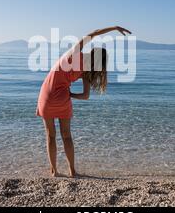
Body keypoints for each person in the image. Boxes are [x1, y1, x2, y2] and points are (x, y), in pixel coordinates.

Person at [36, 26, 132, 177]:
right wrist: (70, 94)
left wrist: (114, 28)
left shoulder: (74, 54)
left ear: (92, 52)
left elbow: (93, 33)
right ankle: (72, 171)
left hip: (46, 95)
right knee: (66, 136)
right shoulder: (87, 72)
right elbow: (85, 95)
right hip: (64, 98)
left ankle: (54, 171)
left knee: (50, 135)